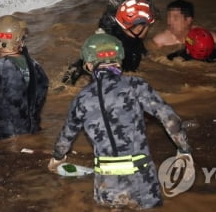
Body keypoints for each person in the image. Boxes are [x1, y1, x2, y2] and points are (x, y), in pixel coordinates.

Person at [49, 32, 192, 209]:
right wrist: (184, 150)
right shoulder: (136, 86)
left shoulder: (81, 99)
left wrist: (57, 158)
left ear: (88, 65)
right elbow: (170, 119)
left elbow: (66, 137)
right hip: (142, 180)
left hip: (106, 183)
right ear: (119, 60)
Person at [62, 0, 157, 85]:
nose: (149, 28)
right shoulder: (125, 51)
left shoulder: (126, 34)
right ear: (140, 28)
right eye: (149, 26)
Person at [152, 0, 216, 49]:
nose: (169, 22)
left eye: (175, 18)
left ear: (188, 20)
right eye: (168, 17)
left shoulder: (205, 36)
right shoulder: (161, 40)